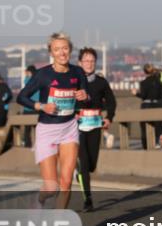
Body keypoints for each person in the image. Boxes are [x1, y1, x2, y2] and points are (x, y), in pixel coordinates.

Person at [16, 32, 89, 209]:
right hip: (47, 130)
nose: (62, 53)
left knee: (66, 183)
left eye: (65, 48)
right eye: (57, 49)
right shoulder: (43, 75)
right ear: (51, 52)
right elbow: (21, 97)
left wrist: (85, 95)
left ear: (70, 50)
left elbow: (86, 97)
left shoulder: (78, 72)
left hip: (69, 129)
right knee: (51, 187)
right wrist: (41, 106)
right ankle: (39, 200)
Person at [75, 47, 116, 211]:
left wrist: (109, 117)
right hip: (77, 127)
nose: (89, 64)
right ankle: (88, 200)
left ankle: (80, 173)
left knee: (91, 165)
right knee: (84, 164)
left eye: (92, 61)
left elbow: (112, 102)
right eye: (86, 61)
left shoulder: (101, 82)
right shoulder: (74, 82)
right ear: (80, 63)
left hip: (95, 125)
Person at [134, 64, 162, 149]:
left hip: (147, 106)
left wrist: (136, 93)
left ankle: (147, 146)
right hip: (159, 105)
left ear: (145, 72)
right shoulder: (161, 84)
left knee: (144, 127)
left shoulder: (144, 83)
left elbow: (144, 95)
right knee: (158, 125)